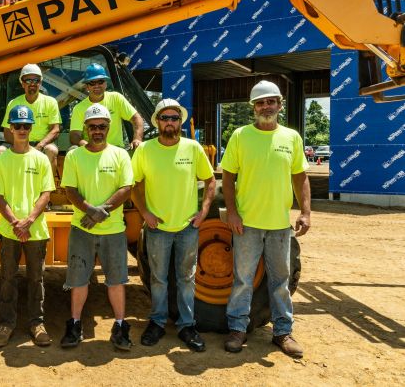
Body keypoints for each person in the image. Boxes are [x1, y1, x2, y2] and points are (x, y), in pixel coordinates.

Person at [221, 80, 311, 358]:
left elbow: (300, 176)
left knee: (280, 280)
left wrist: (306, 211)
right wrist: (233, 212)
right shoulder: (240, 136)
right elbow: (228, 176)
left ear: (280, 105)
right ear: (253, 107)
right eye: (260, 102)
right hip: (247, 224)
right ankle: (238, 329)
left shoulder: (292, 138)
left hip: (279, 225)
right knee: (243, 280)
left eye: (271, 101)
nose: (266, 106)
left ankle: (283, 332)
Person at [131, 99, 216, 352]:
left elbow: (210, 181)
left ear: (180, 121)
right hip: (157, 228)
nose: (170, 122)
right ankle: (157, 322)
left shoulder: (193, 148)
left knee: (186, 278)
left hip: (187, 227)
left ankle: (186, 325)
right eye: (165, 118)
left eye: (174, 118)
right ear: (157, 121)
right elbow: (135, 185)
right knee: (157, 278)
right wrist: (145, 213)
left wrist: (203, 211)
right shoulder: (145, 150)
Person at [60, 103, 134, 350]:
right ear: (85, 129)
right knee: (78, 280)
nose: (97, 130)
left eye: (102, 126)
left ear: (109, 127)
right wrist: (91, 211)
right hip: (82, 229)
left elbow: (126, 188)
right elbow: (70, 190)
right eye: (92, 127)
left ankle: (120, 326)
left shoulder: (120, 155)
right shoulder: (74, 156)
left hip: (113, 230)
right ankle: (74, 324)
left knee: (116, 281)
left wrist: (100, 211)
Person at [0, 105, 56, 348]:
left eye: (26, 126)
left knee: (36, 279)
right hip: (9, 230)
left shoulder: (40, 159)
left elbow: (46, 194)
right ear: (11, 128)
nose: (22, 130)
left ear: (31, 128)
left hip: (35, 230)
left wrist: (28, 221)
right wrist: (15, 222)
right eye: (18, 125)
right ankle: (6, 324)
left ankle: (37, 323)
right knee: (7, 278)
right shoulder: (3, 160)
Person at [0, 64, 62, 172]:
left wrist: (40, 145)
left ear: (41, 82)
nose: (32, 84)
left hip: (42, 144)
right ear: (22, 83)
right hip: (18, 143)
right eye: (28, 80)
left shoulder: (50, 102)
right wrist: (22, 146)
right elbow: (7, 132)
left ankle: (47, 187)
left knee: (51, 150)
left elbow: (55, 129)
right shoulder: (14, 103)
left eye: (36, 80)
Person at [69, 63, 144, 150]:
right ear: (87, 87)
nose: (97, 85)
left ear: (105, 83)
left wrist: (137, 139)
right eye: (92, 83)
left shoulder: (116, 98)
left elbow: (136, 118)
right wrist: (86, 145)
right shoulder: (79, 108)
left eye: (100, 81)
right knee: (72, 149)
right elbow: (74, 134)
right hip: (92, 150)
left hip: (116, 149)